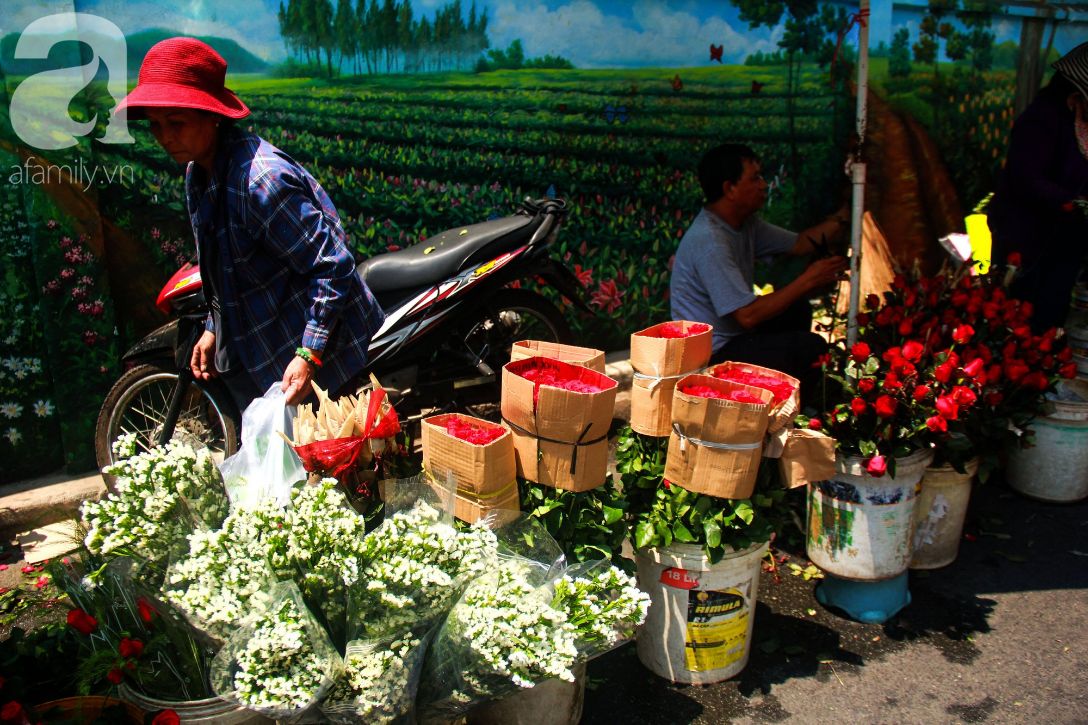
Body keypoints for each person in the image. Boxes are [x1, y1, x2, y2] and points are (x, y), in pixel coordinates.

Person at [116, 38, 385, 413]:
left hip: (329, 358)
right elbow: (223, 268)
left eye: (176, 123)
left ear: (212, 115)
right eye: (155, 126)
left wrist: (309, 353)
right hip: (271, 351)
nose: (164, 138)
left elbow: (332, 266)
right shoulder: (198, 173)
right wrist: (214, 327)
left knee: (337, 461)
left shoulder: (260, 183)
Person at [670, 144, 849, 402]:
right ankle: (789, 414)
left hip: (737, 335)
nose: (764, 185)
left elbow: (801, 244)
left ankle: (776, 393)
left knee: (798, 310)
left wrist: (846, 213)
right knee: (811, 348)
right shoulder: (711, 242)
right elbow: (748, 316)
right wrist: (810, 278)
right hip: (712, 357)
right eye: (755, 178)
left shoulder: (745, 223)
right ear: (729, 189)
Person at [989, 41, 1088, 333]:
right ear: (1076, 92)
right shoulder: (1043, 118)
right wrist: (1073, 201)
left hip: (1064, 238)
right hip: (1026, 238)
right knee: (1019, 320)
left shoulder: (1082, 121)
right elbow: (1026, 176)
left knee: (1050, 318)